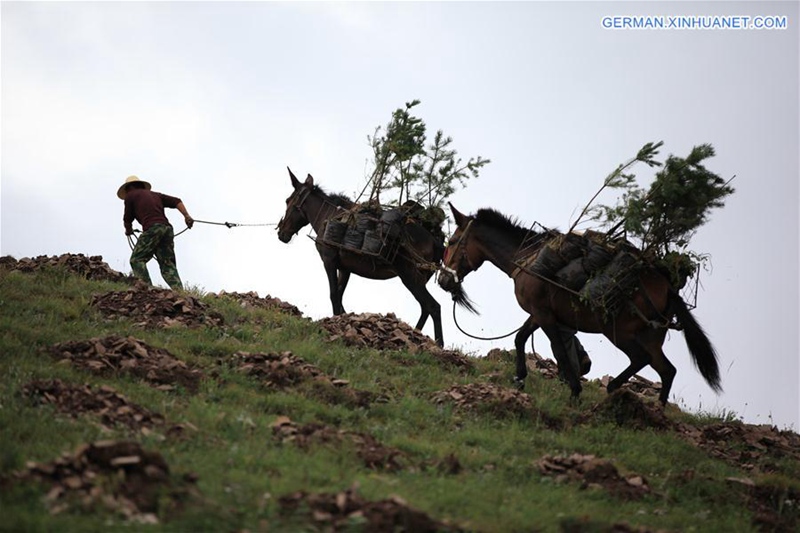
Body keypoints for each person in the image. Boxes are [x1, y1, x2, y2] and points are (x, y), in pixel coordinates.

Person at [117, 175, 194, 290]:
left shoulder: (130, 196)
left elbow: (127, 218)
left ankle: (146, 289)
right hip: (167, 229)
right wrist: (187, 216)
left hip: (152, 228)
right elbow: (177, 201)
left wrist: (128, 230)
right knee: (167, 264)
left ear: (129, 188)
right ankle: (179, 292)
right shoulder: (155, 195)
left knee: (137, 260)